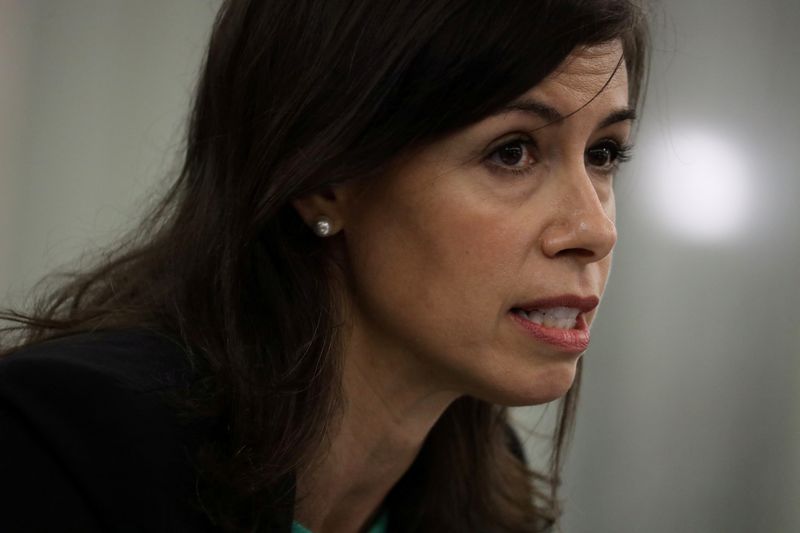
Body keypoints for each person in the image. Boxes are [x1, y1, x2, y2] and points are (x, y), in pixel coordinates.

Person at [0, 0, 649, 531]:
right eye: (512, 152)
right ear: (327, 179)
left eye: (605, 153)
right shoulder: (63, 443)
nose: (594, 229)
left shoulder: (482, 493)